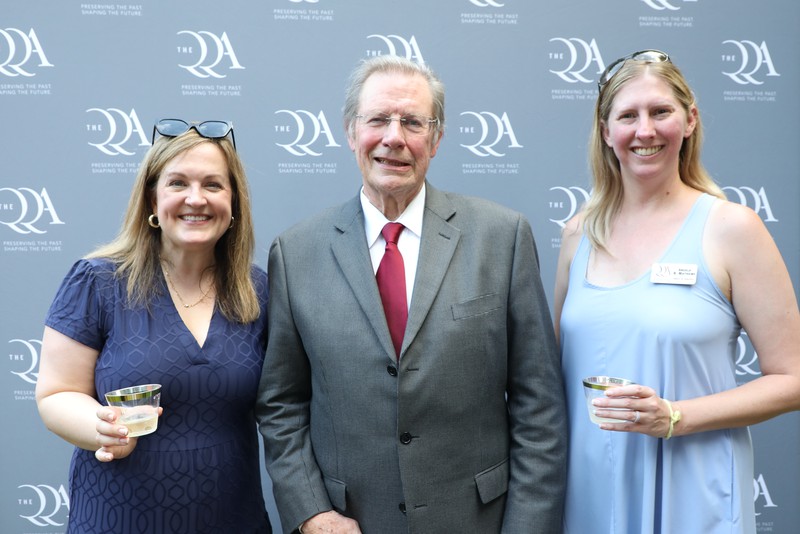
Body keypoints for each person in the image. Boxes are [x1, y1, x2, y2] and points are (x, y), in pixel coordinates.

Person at [255, 55, 567, 534]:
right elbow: (281, 403)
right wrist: (312, 512)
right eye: (378, 119)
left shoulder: (501, 238)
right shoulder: (296, 253)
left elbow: (538, 405)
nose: (394, 137)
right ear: (349, 132)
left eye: (412, 123)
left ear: (436, 139)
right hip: (348, 522)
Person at [554, 50, 800, 533]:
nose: (644, 131)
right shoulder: (578, 234)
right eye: (628, 116)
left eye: (660, 112)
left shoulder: (732, 228)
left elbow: (793, 377)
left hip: (693, 497)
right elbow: (554, 375)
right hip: (589, 493)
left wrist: (674, 416)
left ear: (689, 120)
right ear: (606, 132)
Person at [35, 119, 272, 533]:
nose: (195, 199)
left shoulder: (257, 291)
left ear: (234, 203)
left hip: (234, 519)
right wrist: (101, 429)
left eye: (213, 185)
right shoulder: (97, 281)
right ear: (151, 200)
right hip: (120, 518)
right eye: (178, 183)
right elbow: (57, 394)